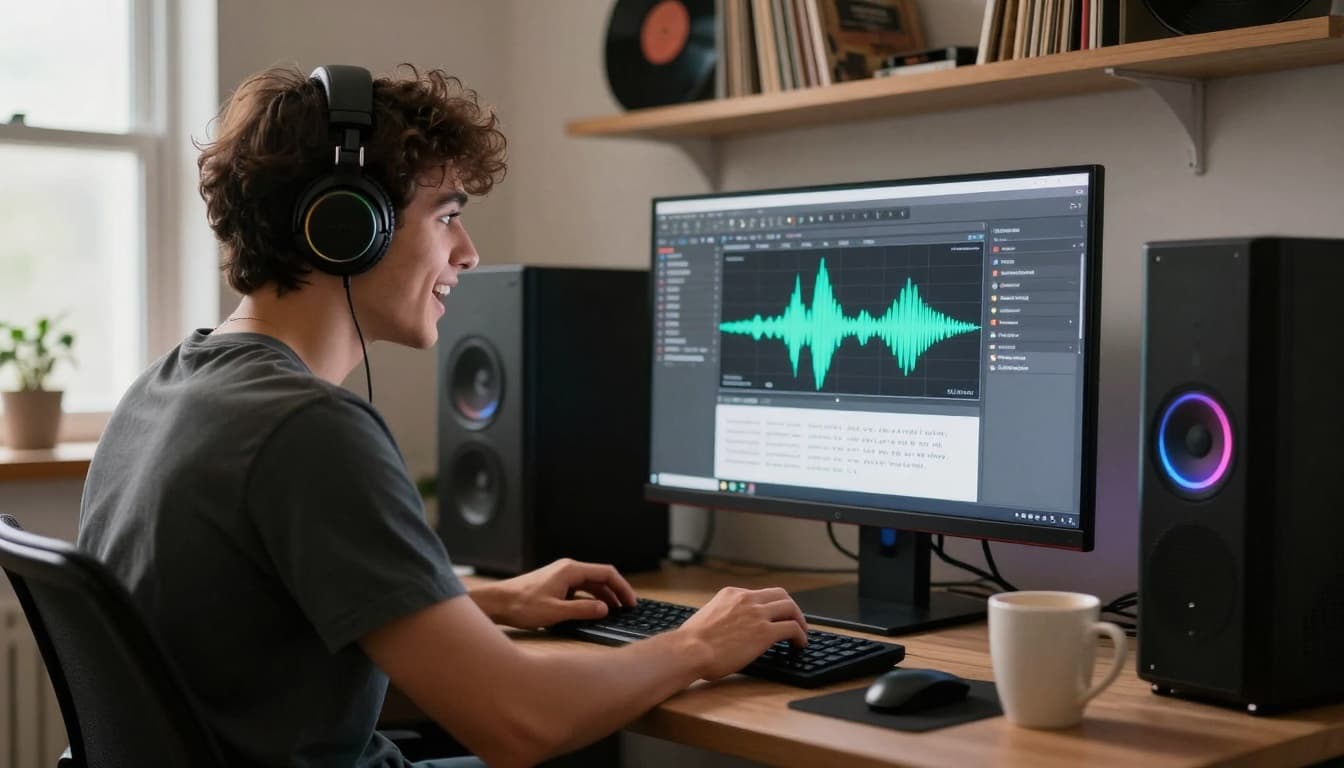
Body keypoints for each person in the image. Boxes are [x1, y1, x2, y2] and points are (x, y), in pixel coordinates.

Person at [76, 64, 809, 768]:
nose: (468, 252)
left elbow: (254, 629)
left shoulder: (165, 389)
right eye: (447, 215)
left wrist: (483, 601)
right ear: (345, 224)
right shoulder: (307, 428)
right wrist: (700, 642)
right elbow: (519, 723)